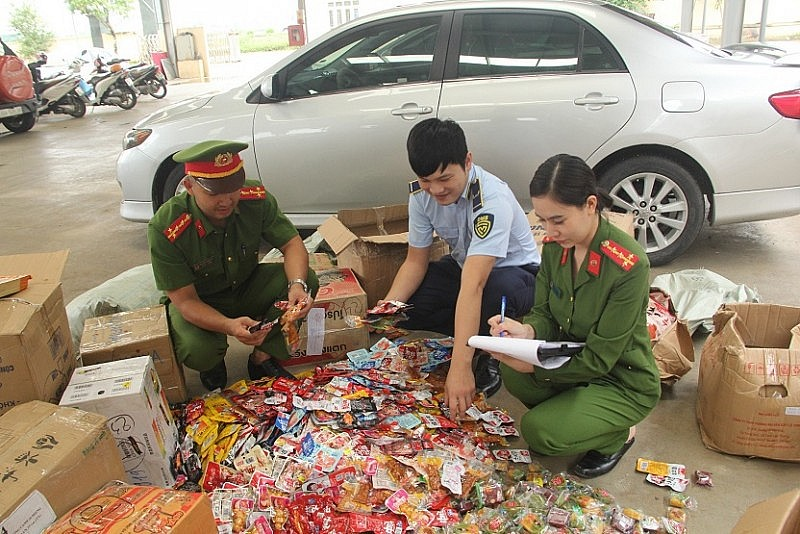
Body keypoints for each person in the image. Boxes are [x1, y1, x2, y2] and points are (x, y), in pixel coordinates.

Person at [486, 153, 661, 478]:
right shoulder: (555, 248)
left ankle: (617, 435)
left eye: (559, 220)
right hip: (573, 363)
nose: (549, 231)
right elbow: (545, 314)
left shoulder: (628, 264)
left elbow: (600, 358)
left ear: (590, 205)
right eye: (543, 221)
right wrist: (525, 331)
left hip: (619, 379)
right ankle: (579, 415)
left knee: (540, 433)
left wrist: (536, 367)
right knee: (513, 376)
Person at [382, 118, 541, 419]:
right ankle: (468, 332)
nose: (436, 189)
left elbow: (474, 285)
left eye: (445, 178)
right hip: (465, 266)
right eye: (426, 180)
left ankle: (489, 354)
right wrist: (387, 312)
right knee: (410, 307)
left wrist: (460, 366)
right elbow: (415, 261)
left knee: (490, 295)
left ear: (467, 161)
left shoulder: (490, 198)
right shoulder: (421, 195)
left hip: (516, 274)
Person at [147, 140, 319, 391]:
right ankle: (212, 364)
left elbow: (292, 244)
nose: (226, 200)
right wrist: (229, 326)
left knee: (307, 280)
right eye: (214, 193)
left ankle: (263, 356)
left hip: (246, 285)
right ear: (189, 187)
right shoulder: (167, 227)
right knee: (200, 350)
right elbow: (185, 301)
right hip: (201, 300)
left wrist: (297, 285)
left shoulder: (254, 198)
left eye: (233, 189)